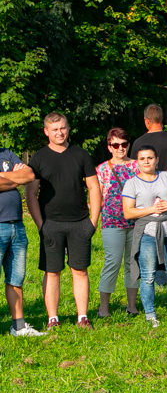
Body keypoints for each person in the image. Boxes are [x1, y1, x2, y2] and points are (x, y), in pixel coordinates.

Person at [25, 112, 101, 330]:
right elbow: (31, 194)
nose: (59, 133)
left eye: (63, 128)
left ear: (68, 129)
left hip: (80, 223)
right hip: (51, 224)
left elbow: (94, 187)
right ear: (46, 132)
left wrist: (93, 221)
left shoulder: (82, 155)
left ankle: (83, 317)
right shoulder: (38, 158)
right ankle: (53, 319)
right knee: (52, 271)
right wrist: (41, 226)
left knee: (80, 270)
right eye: (54, 129)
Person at [122, 146, 167, 327]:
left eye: (150, 158)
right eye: (142, 159)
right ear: (137, 162)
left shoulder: (166, 176)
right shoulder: (132, 183)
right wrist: (152, 209)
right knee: (148, 275)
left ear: (157, 159)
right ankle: (150, 314)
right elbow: (128, 212)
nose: (147, 161)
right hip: (147, 232)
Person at [95, 128, 140, 317]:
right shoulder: (102, 169)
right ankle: (103, 306)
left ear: (128, 145)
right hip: (112, 221)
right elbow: (97, 195)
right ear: (109, 147)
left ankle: (132, 305)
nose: (120, 148)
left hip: (136, 221)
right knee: (112, 262)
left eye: (123, 144)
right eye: (116, 145)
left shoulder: (138, 166)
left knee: (133, 263)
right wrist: (93, 219)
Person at [0, 146, 43, 336]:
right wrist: (13, 178)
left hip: (17, 225)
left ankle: (18, 326)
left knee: (16, 279)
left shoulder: (6, 153)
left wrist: (5, 178)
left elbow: (28, 175)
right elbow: (20, 178)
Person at [130, 104, 167, 171]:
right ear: (161, 118)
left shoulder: (138, 142)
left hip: (146, 180)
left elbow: (134, 168)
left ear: (147, 121)